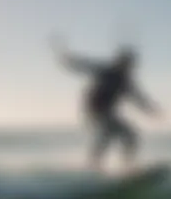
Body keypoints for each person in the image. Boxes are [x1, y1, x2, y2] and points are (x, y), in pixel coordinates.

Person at [50, 35, 162, 172]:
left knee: (130, 136)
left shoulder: (125, 81)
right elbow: (82, 65)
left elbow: (138, 98)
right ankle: (95, 166)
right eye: (127, 63)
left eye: (131, 64)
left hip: (107, 113)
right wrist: (66, 58)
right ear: (121, 61)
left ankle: (127, 166)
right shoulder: (106, 70)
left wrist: (151, 109)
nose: (129, 67)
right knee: (108, 133)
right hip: (94, 111)